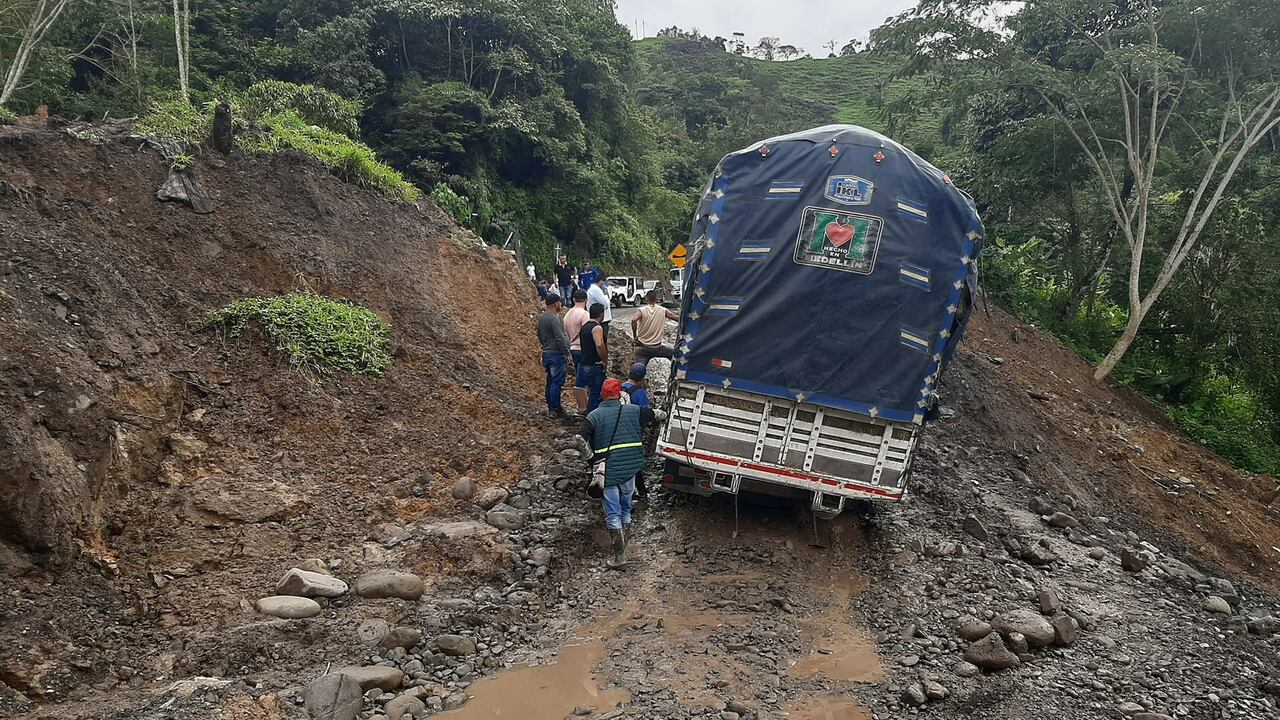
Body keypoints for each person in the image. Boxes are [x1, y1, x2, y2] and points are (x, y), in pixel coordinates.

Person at [580, 378, 665, 568]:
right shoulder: (633, 410)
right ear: (619, 394)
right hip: (630, 470)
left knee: (612, 513)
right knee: (626, 507)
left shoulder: (593, 416)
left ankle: (619, 557)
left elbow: (579, 439)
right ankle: (625, 543)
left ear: (602, 394)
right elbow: (659, 414)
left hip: (607, 471)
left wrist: (590, 458)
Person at [621, 363, 653, 499]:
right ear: (642, 379)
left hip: (617, 428)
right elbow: (645, 415)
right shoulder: (640, 393)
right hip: (632, 432)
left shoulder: (620, 388)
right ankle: (641, 491)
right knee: (634, 461)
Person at [536, 293, 570, 418]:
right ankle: (555, 409)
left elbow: (539, 334)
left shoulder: (542, 318)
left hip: (547, 353)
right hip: (556, 354)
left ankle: (551, 406)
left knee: (550, 381)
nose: (561, 305)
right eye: (560, 303)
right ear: (556, 303)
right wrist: (566, 352)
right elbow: (560, 338)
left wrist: (545, 345)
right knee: (557, 382)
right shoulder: (554, 319)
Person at [631, 290, 678, 364]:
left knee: (639, 368)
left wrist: (635, 336)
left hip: (641, 347)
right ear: (656, 299)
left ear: (646, 298)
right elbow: (678, 319)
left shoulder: (641, 310)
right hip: (656, 348)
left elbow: (634, 320)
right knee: (674, 354)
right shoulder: (663, 310)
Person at [562, 289, 590, 412]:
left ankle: (582, 406)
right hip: (582, 349)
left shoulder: (568, 314)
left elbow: (566, 333)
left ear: (573, 299)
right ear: (586, 300)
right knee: (582, 379)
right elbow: (587, 333)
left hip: (572, 348)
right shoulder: (584, 315)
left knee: (580, 376)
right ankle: (583, 407)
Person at [578, 302, 608, 412]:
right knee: (596, 394)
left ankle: (589, 413)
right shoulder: (597, 328)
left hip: (584, 364)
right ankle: (593, 417)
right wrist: (604, 360)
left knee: (591, 392)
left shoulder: (584, 327)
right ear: (602, 314)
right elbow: (599, 344)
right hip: (595, 365)